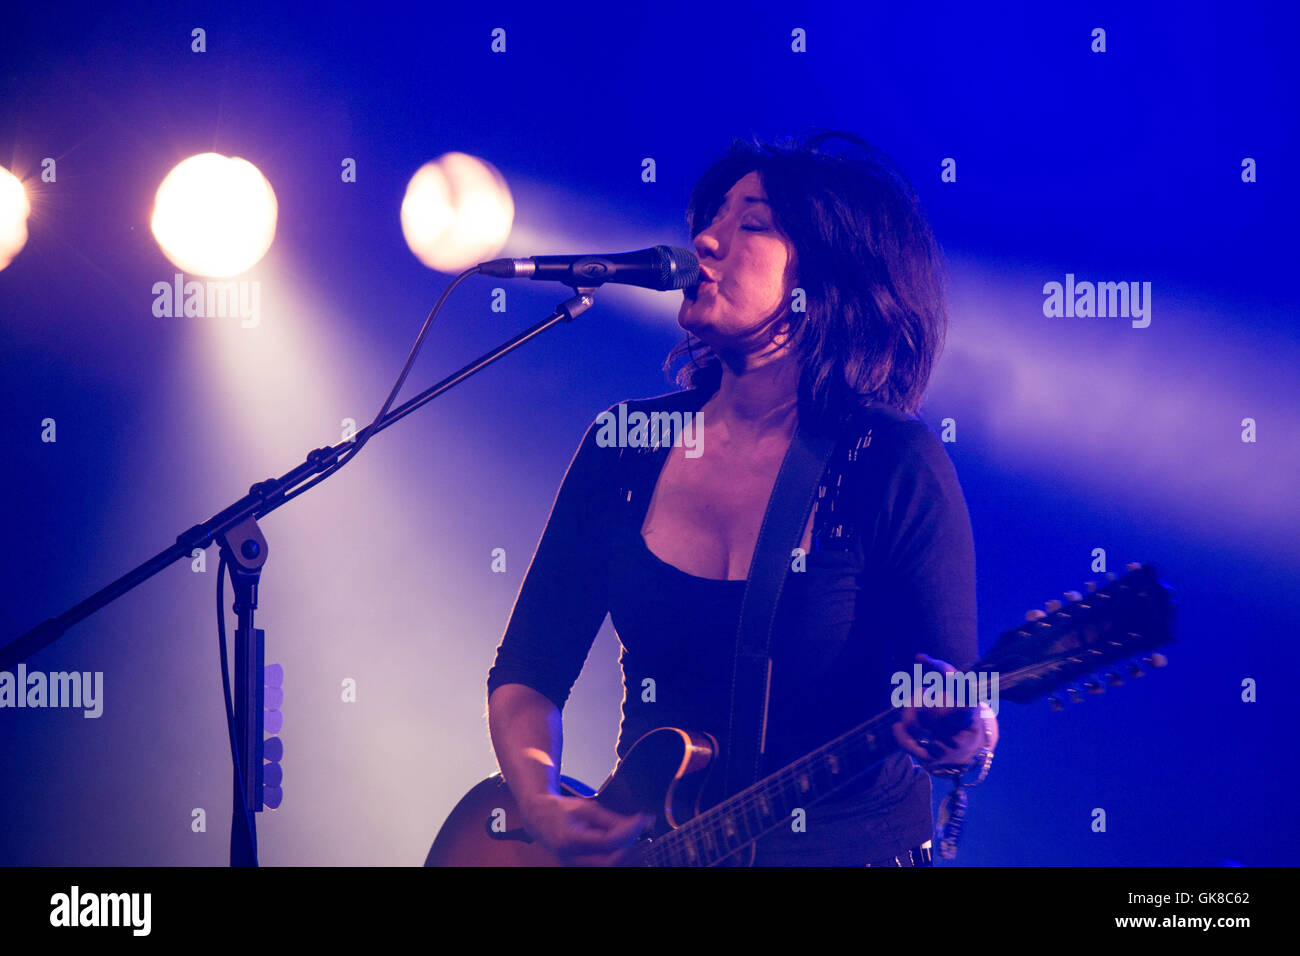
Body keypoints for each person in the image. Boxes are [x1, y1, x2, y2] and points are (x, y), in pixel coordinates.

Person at [485, 129, 998, 866]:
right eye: (710, 220)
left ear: (821, 283)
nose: (706, 241)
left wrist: (965, 729)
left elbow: (956, 708)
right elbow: (530, 666)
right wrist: (540, 803)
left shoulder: (889, 462)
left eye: (750, 224)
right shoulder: (627, 442)